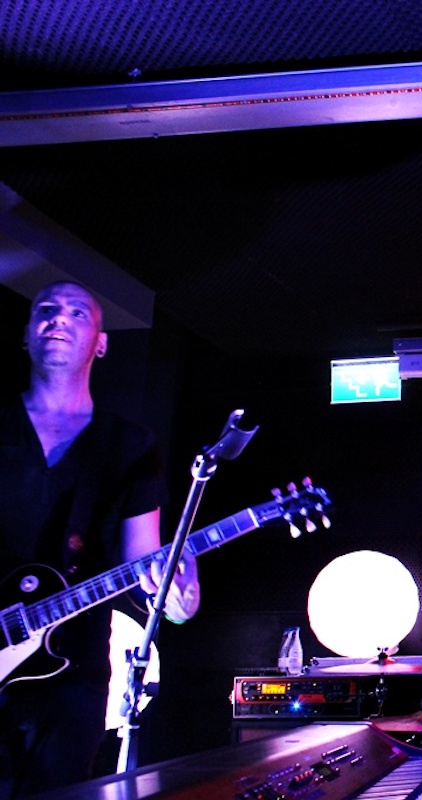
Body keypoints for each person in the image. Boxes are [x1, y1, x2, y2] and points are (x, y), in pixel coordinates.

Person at [0, 281, 201, 797]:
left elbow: (146, 567)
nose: (58, 320)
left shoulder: (130, 445)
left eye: (76, 313)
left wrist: (178, 596)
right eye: (46, 310)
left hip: (74, 674)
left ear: (102, 342)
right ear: (26, 335)